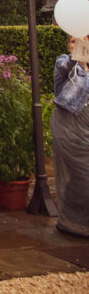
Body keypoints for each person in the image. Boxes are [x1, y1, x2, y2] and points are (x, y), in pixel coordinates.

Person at [52, 35, 89, 238]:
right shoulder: (65, 63)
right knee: (85, 174)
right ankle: (73, 222)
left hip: (87, 125)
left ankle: (72, 219)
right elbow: (68, 66)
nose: (75, 44)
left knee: (79, 179)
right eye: (72, 41)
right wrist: (80, 55)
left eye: (81, 41)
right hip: (69, 126)